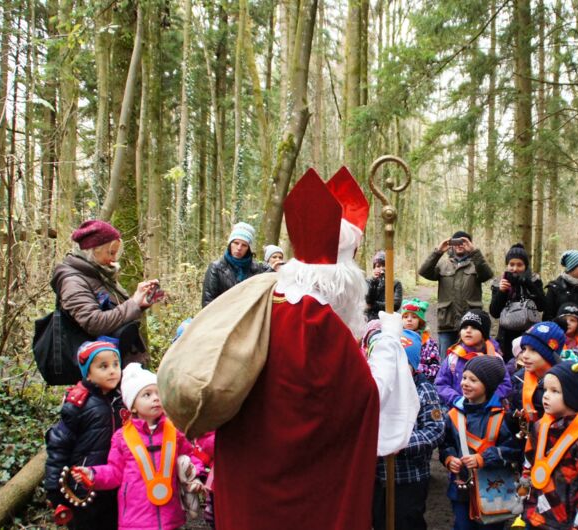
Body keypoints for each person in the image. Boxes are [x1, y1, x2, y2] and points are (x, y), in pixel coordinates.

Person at [165, 168, 418, 529]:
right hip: (301, 496)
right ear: (341, 274)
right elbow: (361, 401)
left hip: (252, 477)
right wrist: (388, 346)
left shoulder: (269, 298)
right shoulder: (317, 322)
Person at [72, 364, 204, 530]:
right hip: (135, 518)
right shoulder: (122, 437)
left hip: (170, 515)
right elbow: (115, 472)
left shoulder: (174, 431)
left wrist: (195, 473)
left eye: (158, 393)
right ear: (132, 406)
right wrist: (93, 475)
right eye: (147, 395)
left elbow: (190, 455)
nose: (155, 398)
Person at [517, 362, 578, 529]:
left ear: (573, 395)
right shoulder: (540, 427)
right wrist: (523, 498)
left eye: (555, 391)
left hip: (564, 523)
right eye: (545, 389)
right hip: (534, 516)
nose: (545, 396)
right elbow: (529, 464)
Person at [54, 220, 161, 365]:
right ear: (92, 250)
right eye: (110, 253)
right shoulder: (73, 281)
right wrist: (133, 303)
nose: (114, 259)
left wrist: (140, 303)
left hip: (117, 361)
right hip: (99, 369)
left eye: (116, 253)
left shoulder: (99, 274)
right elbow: (94, 322)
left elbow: (115, 313)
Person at [43, 340, 124, 529]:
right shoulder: (78, 404)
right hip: (85, 487)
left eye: (115, 364)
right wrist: (54, 488)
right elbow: (59, 445)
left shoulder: (123, 399)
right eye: (103, 366)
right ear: (88, 372)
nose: (112, 371)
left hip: (116, 484)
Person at [372, 330, 445, 530]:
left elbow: (435, 430)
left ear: (413, 366)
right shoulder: (376, 392)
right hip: (377, 476)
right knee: (379, 520)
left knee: (407, 520)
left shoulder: (424, 390)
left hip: (409, 476)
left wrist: (402, 443)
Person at [440, 355, 521, 530]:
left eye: (473, 380)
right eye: (464, 378)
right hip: (461, 488)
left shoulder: (501, 417)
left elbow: (513, 450)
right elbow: (446, 444)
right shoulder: (453, 415)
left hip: (493, 491)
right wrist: (449, 458)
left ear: (488, 385)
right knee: (462, 526)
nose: (465, 383)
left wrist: (484, 458)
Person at [418, 231, 495, 354]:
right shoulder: (443, 265)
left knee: (471, 359)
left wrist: (474, 252)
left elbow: (487, 275)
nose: (460, 245)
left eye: (463, 242)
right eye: (456, 242)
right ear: (451, 245)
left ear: (469, 244)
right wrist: (438, 252)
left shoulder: (476, 265)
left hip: (471, 323)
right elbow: (424, 272)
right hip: (447, 323)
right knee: (446, 362)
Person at [435, 310, 512, 408]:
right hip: (457, 410)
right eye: (465, 327)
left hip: (487, 410)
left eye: (474, 328)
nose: (468, 330)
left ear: (484, 334)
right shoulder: (454, 358)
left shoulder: (494, 358)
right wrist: (456, 399)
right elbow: (440, 384)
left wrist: (494, 398)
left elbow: (505, 384)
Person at [489, 243, 547, 362]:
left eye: (519, 265)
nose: (515, 269)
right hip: (506, 335)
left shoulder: (534, 280)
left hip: (529, 333)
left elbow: (542, 306)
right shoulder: (499, 282)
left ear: (525, 266)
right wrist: (502, 292)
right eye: (511, 264)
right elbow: (494, 312)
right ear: (507, 265)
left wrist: (528, 285)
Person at [507, 321, 566, 437]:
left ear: (550, 355)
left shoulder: (563, 383)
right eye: (524, 349)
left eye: (533, 350)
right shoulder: (518, 379)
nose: (525, 355)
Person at [201, 221, 270, 307]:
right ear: (230, 244)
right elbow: (208, 302)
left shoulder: (257, 269)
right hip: (223, 317)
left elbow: (274, 272)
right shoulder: (216, 268)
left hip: (250, 317)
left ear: (248, 248)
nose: (239, 248)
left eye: (244, 245)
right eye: (236, 243)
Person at [401, 298, 442, 379]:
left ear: (420, 321)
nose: (409, 319)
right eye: (405, 317)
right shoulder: (396, 338)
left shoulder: (428, 343)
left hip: (421, 381)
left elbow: (435, 369)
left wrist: (415, 368)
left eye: (414, 317)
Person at [365, 250, 403, 321]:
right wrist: (374, 281)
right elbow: (366, 300)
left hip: (389, 320)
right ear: (374, 268)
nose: (381, 268)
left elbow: (395, 305)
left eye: (384, 265)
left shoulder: (396, 283)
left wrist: (373, 305)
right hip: (369, 319)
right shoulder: (368, 281)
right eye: (378, 266)